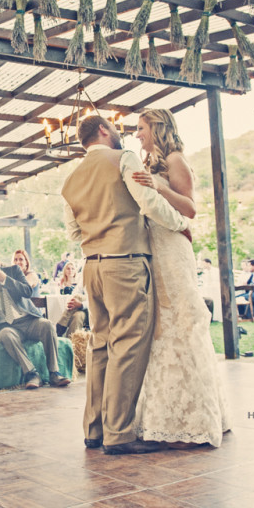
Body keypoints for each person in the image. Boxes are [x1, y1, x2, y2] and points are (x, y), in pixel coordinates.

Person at [62, 113, 191, 455]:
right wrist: (180, 225)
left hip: (92, 267)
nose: (122, 134)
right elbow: (148, 203)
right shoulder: (123, 158)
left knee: (99, 345)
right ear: (104, 130)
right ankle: (118, 433)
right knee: (128, 345)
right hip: (126, 264)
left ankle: (94, 430)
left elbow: (73, 232)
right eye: (117, 128)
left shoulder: (71, 177)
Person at [128, 108, 231, 449]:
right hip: (152, 249)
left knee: (181, 323)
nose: (138, 134)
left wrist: (159, 186)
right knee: (160, 327)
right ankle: (162, 418)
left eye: (141, 128)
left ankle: (195, 419)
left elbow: (189, 209)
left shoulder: (176, 160)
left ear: (157, 128)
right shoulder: (145, 163)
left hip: (172, 249)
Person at [0, 252, 69, 389]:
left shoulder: (13, 271)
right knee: (4, 335)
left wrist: (5, 279)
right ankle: (31, 374)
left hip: (28, 320)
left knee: (47, 325)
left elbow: (27, 291)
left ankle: (54, 373)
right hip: (7, 326)